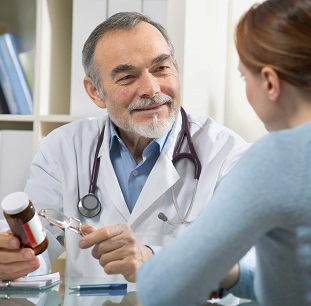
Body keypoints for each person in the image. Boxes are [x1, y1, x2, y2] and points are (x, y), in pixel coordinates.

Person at [0, 12, 249, 284]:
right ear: (95, 91)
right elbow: (36, 249)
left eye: (161, 68)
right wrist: (14, 259)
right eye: (128, 77)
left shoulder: (226, 153)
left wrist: (155, 260)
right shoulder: (62, 148)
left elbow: (248, 265)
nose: (151, 89)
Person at [136, 0, 311, 305]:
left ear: (270, 82)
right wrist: (231, 275)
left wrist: (155, 259)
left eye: (245, 77)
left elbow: (162, 290)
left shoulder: (279, 158)